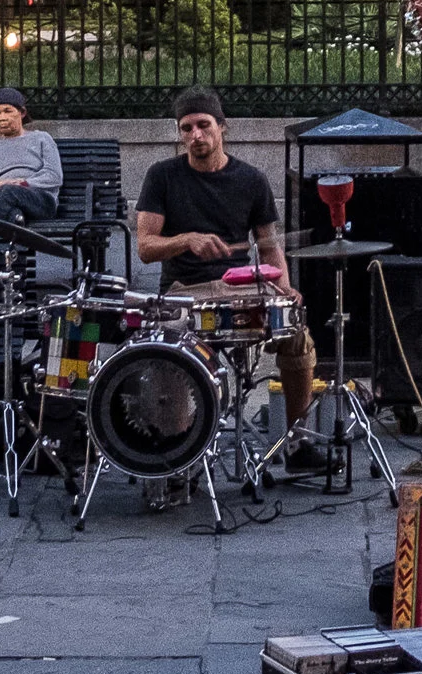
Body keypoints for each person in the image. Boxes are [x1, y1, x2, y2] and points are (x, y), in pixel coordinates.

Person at [135, 87, 315, 442]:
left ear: (222, 126)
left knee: (296, 335)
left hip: (240, 289)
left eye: (203, 125)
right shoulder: (162, 176)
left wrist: (285, 289)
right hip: (185, 292)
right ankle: (179, 448)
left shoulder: (251, 179)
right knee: (170, 359)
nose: (195, 135)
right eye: (187, 128)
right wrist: (186, 240)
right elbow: (145, 246)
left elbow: (269, 247)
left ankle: (299, 439)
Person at [0, 87, 64, 224]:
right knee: (13, 214)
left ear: (22, 113)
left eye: (8, 111)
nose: (2, 117)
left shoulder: (42, 138)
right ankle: (14, 223)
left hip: (39, 199)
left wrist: (22, 183)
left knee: (7, 192)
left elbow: (54, 176)